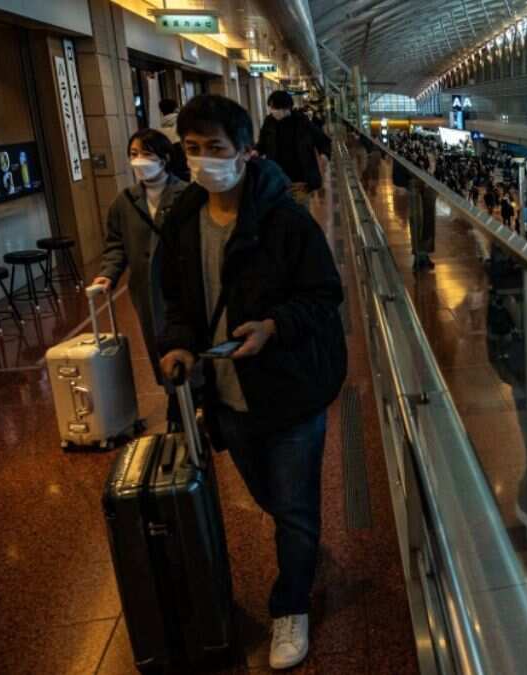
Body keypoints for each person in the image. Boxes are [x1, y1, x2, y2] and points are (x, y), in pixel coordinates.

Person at [158, 95, 346, 670]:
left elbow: (324, 296)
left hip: (288, 390)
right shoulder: (183, 221)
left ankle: (290, 605)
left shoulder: (285, 220)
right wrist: (177, 345)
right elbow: (178, 302)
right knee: (270, 497)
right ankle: (302, 539)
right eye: (191, 150)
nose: (202, 161)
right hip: (229, 396)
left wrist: (272, 326)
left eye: (215, 149)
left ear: (245, 151)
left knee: (290, 506)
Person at [93, 129, 188, 393]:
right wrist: (108, 273)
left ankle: (196, 395)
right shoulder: (124, 202)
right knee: (157, 339)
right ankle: (173, 397)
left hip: (183, 285)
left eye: (147, 154)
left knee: (189, 340)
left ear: (165, 158)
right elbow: (116, 245)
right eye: (133, 154)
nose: (139, 161)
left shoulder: (188, 195)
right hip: (146, 290)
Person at [256, 90, 331, 206]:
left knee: (298, 214)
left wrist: (324, 154)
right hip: (276, 180)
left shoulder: (302, 122)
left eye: (275, 107)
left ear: (287, 107)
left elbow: (323, 140)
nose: (273, 111)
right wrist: (255, 151)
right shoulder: (269, 122)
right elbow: (262, 144)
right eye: (271, 107)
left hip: (299, 182)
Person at [157, 98, 190, 181]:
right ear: (176, 108)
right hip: (184, 164)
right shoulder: (183, 122)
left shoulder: (159, 129)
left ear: (161, 111)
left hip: (170, 167)